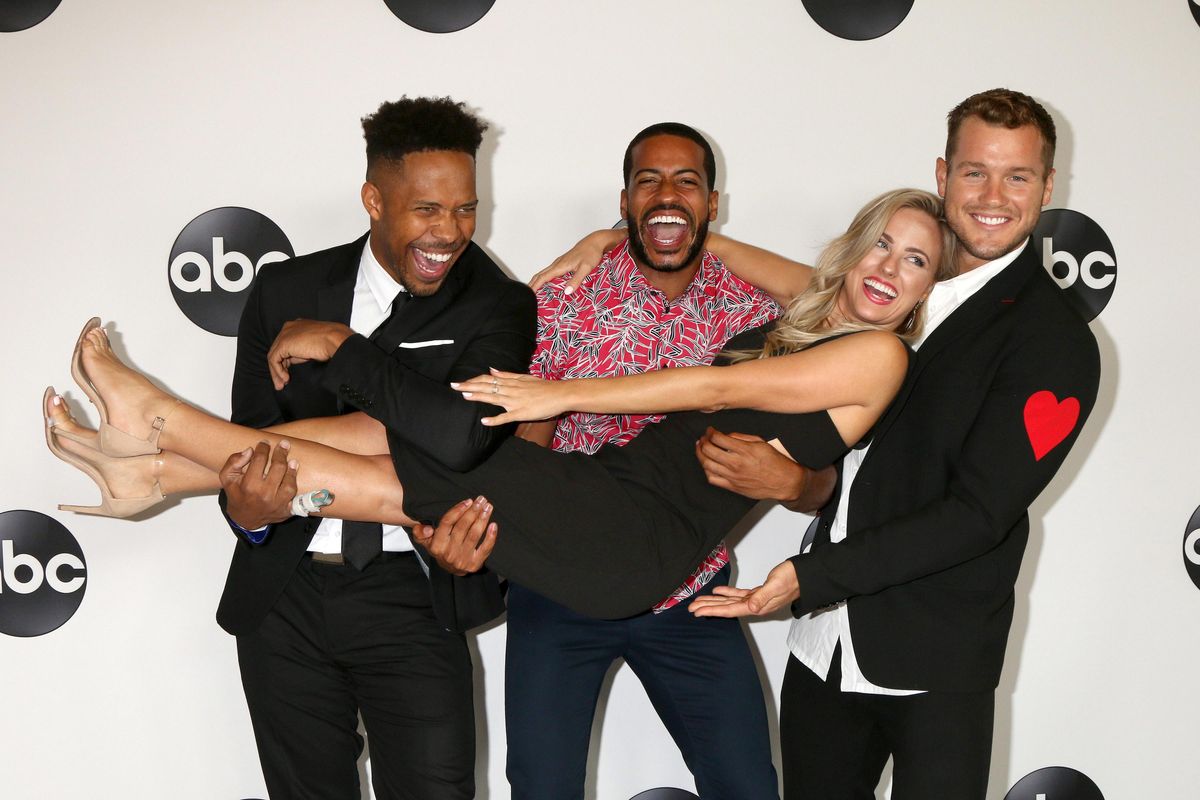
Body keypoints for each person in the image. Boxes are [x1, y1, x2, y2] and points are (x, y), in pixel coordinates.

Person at [44, 188, 952, 623]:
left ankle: (161, 425)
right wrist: (628, 232)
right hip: (610, 495)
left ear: (927, 289)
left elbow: (715, 386)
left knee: (414, 468)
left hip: (633, 536)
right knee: (393, 441)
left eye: (916, 262)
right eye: (884, 245)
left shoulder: (875, 356)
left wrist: (558, 391)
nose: (890, 269)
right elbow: (747, 260)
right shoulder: (820, 312)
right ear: (858, 246)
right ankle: (156, 469)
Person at [685, 89, 1103, 799]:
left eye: (1018, 177)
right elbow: (813, 295)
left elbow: (975, 514)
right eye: (975, 172)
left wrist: (807, 578)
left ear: (1048, 188)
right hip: (822, 653)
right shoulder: (899, 284)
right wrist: (673, 240)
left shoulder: (1055, 343)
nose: (992, 195)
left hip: (934, 665)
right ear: (943, 176)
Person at [172, 96, 536, 800]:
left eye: (466, 209)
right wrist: (248, 510)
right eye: (428, 210)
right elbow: (248, 437)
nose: (453, 232)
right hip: (286, 594)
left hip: (416, 593)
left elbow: (463, 438)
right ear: (374, 199)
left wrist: (343, 350)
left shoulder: (497, 304)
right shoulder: (286, 289)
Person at [504, 122, 788, 800]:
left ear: (713, 203)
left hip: (689, 591)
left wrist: (678, 232)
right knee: (541, 789)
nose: (666, 193)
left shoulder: (755, 311)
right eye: (648, 183)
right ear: (624, 199)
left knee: (749, 787)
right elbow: (525, 439)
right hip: (560, 583)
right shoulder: (564, 297)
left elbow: (848, 310)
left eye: (686, 182)